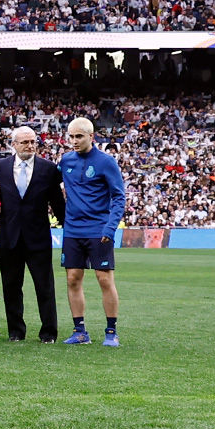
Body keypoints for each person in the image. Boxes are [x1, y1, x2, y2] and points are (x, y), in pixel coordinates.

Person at [58, 117, 125, 347]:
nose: (74, 141)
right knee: (73, 279)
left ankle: (111, 331)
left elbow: (119, 197)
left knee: (104, 279)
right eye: (71, 137)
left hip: (99, 230)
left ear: (91, 137)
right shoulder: (66, 160)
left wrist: (110, 226)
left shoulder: (106, 162)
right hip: (73, 230)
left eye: (79, 136)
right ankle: (80, 332)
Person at [0, 126, 65, 344]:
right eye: (24, 142)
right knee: (11, 287)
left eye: (33, 142)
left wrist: (68, 228)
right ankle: (16, 332)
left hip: (38, 237)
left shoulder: (49, 169)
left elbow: (57, 202)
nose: (30, 146)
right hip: (9, 237)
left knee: (45, 287)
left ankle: (49, 333)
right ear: (13, 144)